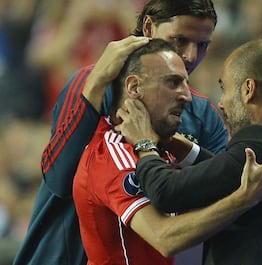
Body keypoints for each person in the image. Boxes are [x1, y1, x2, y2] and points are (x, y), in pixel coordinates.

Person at [13, 1, 227, 264]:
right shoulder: (92, 82)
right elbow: (58, 180)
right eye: (179, 40)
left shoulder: (204, 114)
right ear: (149, 27)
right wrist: (97, 82)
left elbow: (221, 196)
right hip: (65, 254)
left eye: (202, 45)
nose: (191, 55)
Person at [73, 38, 262, 265]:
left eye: (186, 84)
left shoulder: (159, 149)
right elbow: (165, 238)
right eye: (173, 83)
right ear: (134, 87)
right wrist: (246, 198)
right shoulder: (113, 153)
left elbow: (220, 180)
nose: (186, 96)